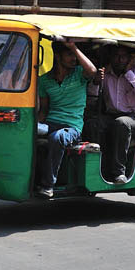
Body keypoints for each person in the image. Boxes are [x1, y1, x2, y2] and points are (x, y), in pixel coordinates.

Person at [36, 40, 97, 197]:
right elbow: (43, 110)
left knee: (58, 138)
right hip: (50, 123)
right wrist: (34, 126)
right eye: (69, 54)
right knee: (28, 131)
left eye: (74, 54)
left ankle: (48, 185)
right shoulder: (44, 81)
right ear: (58, 57)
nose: (73, 58)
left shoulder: (79, 74)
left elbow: (92, 70)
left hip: (72, 127)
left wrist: (73, 47)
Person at [96, 45, 135, 183]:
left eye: (123, 56)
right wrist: (96, 80)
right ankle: (99, 169)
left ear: (129, 59)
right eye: (116, 56)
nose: (120, 60)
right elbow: (92, 94)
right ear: (111, 57)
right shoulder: (106, 74)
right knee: (93, 123)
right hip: (111, 115)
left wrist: (129, 73)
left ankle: (118, 172)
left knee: (121, 123)